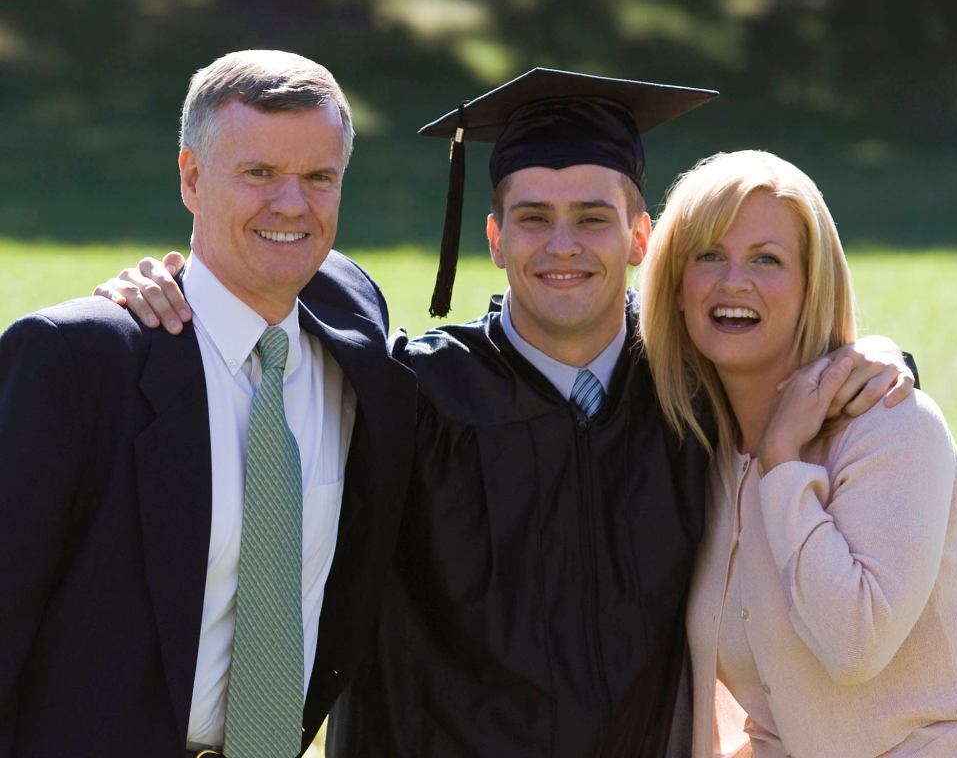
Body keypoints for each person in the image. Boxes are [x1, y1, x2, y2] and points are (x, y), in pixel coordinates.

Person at [97, 70, 913, 756]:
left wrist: (878, 360)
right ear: (493, 237)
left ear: (640, 238)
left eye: (593, 218)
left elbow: (803, 375)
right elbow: (254, 341)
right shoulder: (408, 396)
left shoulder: (689, 391)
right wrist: (159, 299)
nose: (562, 244)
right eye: (533, 218)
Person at [0, 50, 415, 758]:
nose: (292, 205)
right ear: (192, 178)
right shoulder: (79, 363)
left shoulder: (353, 325)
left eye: (319, 178)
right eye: (258, 173)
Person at [638, 149, 957, 757]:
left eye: (767, 259)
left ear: (812, 285)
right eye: (708, 255)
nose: (733, 281)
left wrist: (785, 460)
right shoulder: (706, 459)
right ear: (677, 287)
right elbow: (776, 708)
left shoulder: (894, 428)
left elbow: (854, 645)